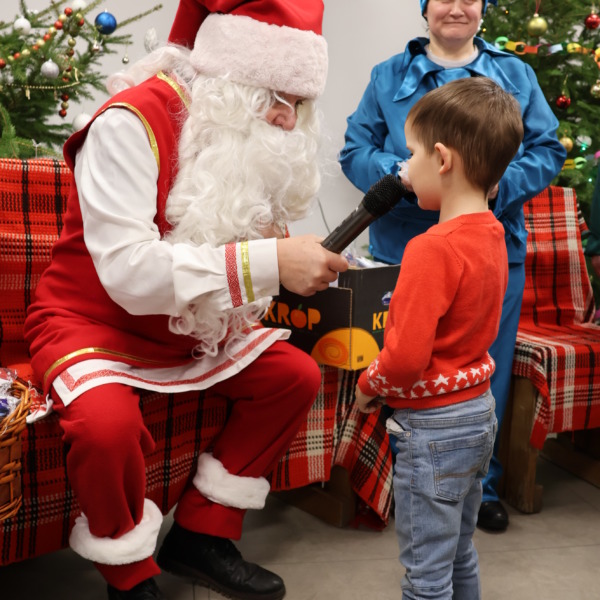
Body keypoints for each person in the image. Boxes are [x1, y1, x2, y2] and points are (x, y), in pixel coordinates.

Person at [23, 1, 348, 600]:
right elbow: (128, 272)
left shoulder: (239, 135)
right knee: (105, 428)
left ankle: (203, 535)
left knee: (294, 378)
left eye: (300, 103)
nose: (286, 119)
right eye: (274, 96)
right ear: (228, 79)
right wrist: (271, 263)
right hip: (92, 322)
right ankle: (127, 573)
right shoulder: (130, 122)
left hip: (189, 326)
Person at [340, 0, 566, 533]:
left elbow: (546, 149)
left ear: (484, 7)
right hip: (402, 252)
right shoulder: (387, 75)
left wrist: (483, 187)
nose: (457, 7)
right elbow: (355, 150)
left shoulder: (515, 74)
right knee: (405, 358)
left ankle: (476, 488)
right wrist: (402, 176)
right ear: (425, 7)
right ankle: (402, 485)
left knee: (481, 368)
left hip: (489, 247)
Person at [354, 76, 524, 600]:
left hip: (432, 429)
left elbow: (405, 358)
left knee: (426, 574)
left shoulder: (431, 249)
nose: (405, 168)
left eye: (411, 155)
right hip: (478, 414)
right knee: (459, 550)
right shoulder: (493, 233)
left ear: (443, 160)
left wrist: (368, 384)